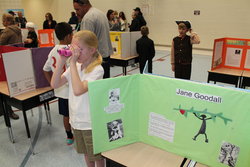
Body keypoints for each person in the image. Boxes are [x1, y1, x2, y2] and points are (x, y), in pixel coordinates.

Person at [51, 30, 104, 167]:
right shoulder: (76, 66)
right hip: (76, 121)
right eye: (73, 48)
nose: (75, 52)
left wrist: (72, 63)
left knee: (96, 156)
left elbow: (78, 89)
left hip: (90, 123)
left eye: (79, 49)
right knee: (86, 153)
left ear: (92, 50)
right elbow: (55, 84)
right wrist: (62, 62)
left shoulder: (97, 70)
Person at [43, 22, 74, 145]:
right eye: (72, 34)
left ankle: (69, 136)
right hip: (71, 90)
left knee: (66, 115)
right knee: (74, 113)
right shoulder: (70, 50)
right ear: (68, 36)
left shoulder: (52, 51)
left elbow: (45, 69)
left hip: (60, 91)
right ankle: (77, 133)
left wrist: (52, 83)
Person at [73, 0, 113, 79]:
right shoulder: (100, 13)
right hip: (105, 56)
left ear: (84, 5)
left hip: (95, 60)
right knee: (104, 85)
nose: (76, 13)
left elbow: (84, 43)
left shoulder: (88, 19)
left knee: (96, 88)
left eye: (77, 9)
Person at [0, 13, 21, 120]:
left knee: (5, 88)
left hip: (6, 62)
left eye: (3, 20)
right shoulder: (18, 29)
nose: (2, 22)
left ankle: (9, 111)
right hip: (16, 61)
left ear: (7, 21)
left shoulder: (7, 31)